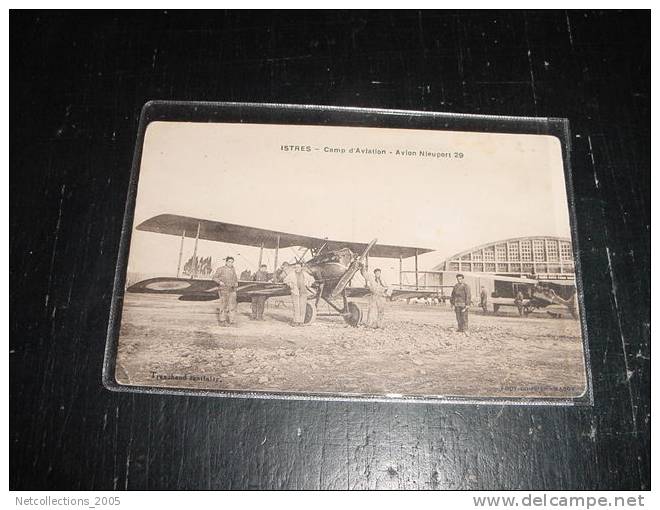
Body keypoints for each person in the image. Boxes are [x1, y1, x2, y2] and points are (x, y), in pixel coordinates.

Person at [212, 256, 239, 325]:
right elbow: (214, 277)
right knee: (223, 306)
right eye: (229, 262)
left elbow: (235, 279)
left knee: (232, 306)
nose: (230, 263)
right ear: (226, 262)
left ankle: (232, 320)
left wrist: (236, 283)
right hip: (223, 290)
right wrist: (220, 282)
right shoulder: (221, 269)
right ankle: (222, 321)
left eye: (232, 262)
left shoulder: (233, 270)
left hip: (232, 290)